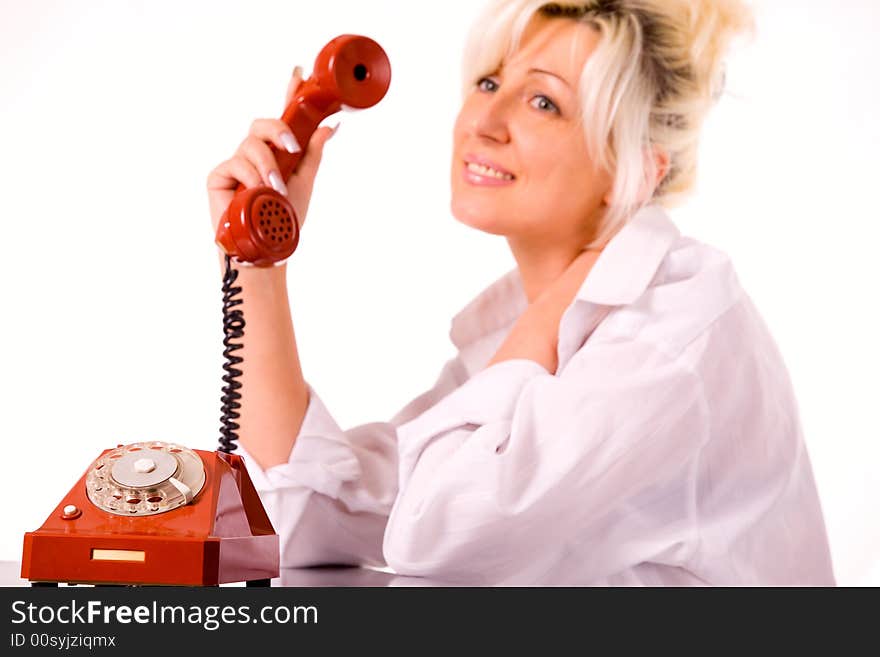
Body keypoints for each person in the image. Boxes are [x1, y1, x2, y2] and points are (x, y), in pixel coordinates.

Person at [205, 0, 835, 585]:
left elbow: (436, 533)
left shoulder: (667, 335)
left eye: (543, 103)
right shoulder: (522, 333)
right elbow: (303, 519)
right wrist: (257, 266)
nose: (484, 121)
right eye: (488, 83)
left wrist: (548, 315)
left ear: (633, 170)